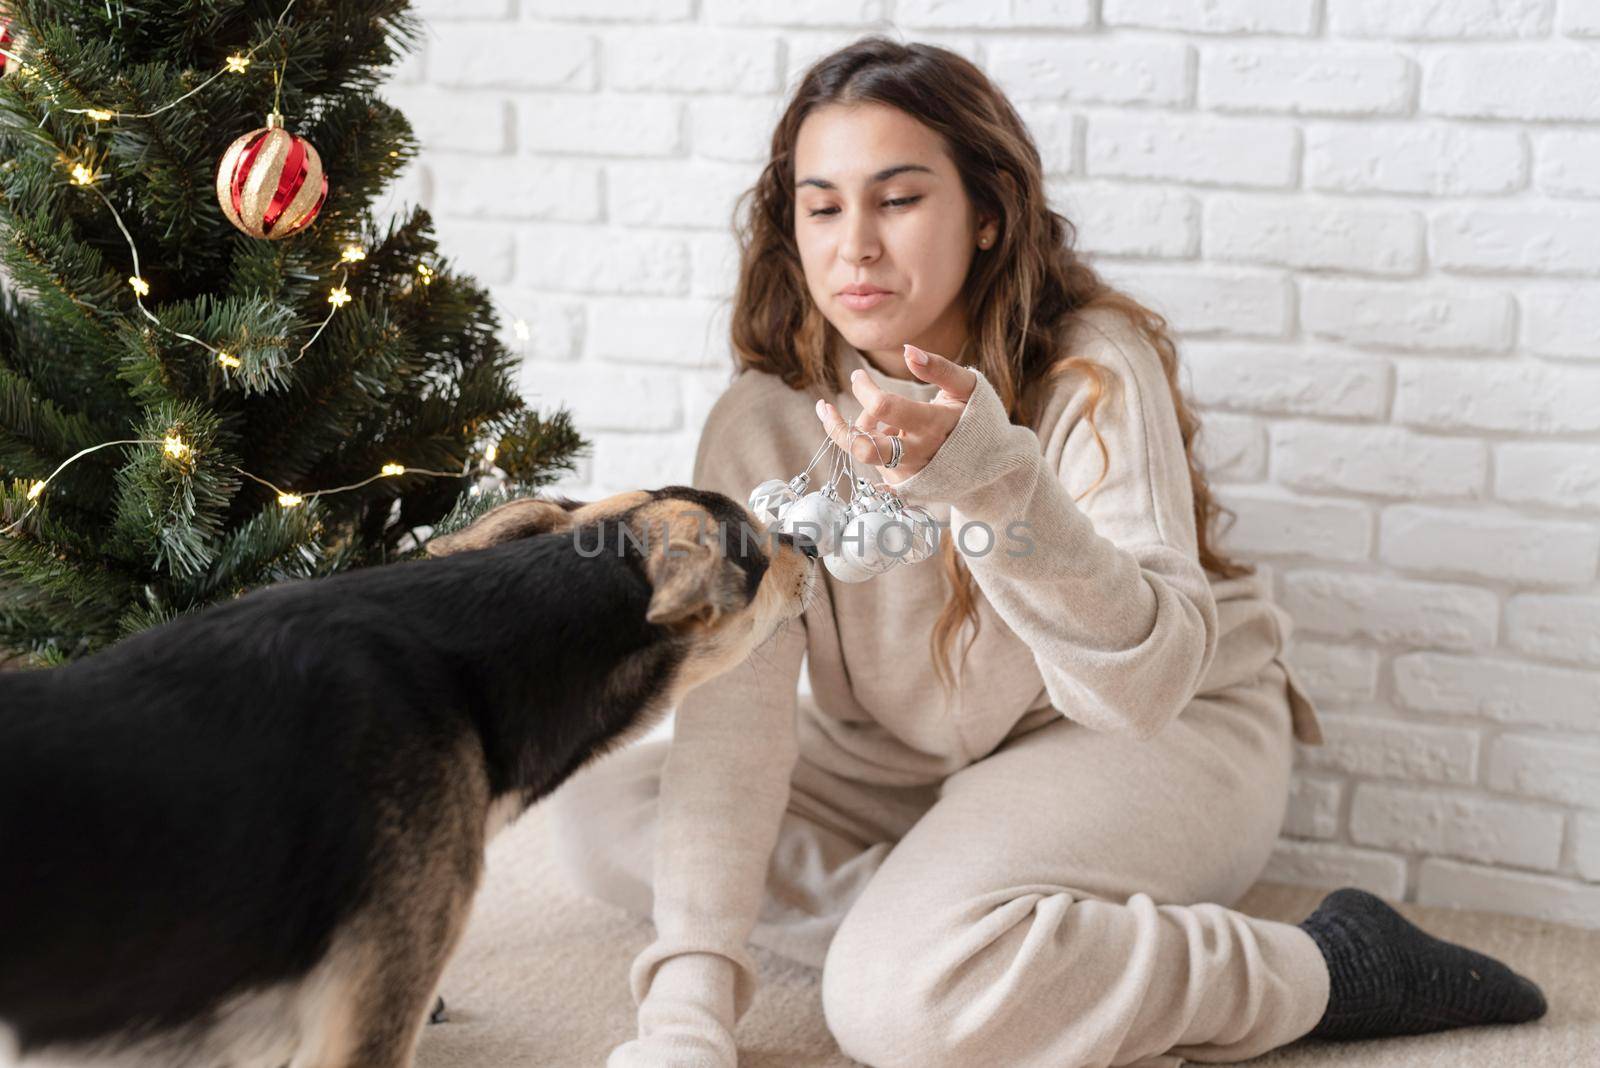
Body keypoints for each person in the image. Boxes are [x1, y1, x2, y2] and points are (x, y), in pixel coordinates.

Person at [544, 37, 1548, 1068]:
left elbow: (1141, 690)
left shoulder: (1089, 370)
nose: (855, 247)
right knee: (600, 808)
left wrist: (992, 478)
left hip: (1153, 733)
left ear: (986, 213)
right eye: (822, 205)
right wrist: (684, 1019)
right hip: (903, 760)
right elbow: (736, 721)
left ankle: (1324, 966)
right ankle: (966, 926)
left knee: (900, 1012)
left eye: (896, 200)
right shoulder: (758, 423)